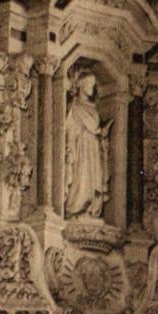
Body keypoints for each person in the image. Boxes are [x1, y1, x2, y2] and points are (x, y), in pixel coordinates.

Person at [64, 67, 111, 218]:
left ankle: (91, 208)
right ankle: (77, 206)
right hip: (81, 147)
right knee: (81, 178)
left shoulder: (93, 107)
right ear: (81, 86)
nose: (92, 88)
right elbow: (68, 128)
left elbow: (95, 128)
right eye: (90, 85)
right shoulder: (75, 106)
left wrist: (101, 135)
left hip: (93, 149)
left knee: (93, 180)